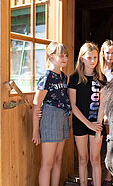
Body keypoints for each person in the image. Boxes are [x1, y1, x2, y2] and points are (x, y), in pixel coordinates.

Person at [32, 42, 72, 186]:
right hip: (50, 116)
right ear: (51, 57)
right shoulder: (47, 75)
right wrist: (36, 130)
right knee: (47, 163)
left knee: (58, 159)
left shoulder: (63, 76)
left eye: (66, 55)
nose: (65, 58)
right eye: (61, 55)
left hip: (62, 116)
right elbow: (37, 103)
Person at [68, 42, 106, 186]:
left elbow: (102, 105)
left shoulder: (101, 79)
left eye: (95, 57)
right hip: (81, 123)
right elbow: (73, 105)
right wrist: (87, 124)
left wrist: (97, 125)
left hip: (96, 125)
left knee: (95, 159)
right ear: (82, 58)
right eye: (89, 57)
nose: (92, 61)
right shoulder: (74, 78)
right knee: (83, 159)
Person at [96, 40, 113, 186]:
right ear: (102, 53)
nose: (110, 56)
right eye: (107, 52)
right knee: (95, 148)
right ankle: (94, 177)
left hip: (109, 114)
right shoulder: (96, 69)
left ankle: (108, 177)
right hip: (94, 111)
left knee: (109, 145)